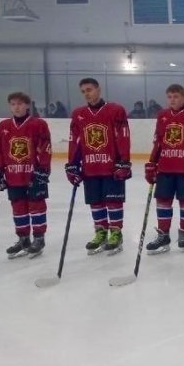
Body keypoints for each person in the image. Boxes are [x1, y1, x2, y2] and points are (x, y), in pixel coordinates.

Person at [66, 78, 132, 255]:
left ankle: (116, 233)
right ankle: (100, 232)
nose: (86, 94)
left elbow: (123, 136)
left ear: (98, 89)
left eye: (89, 89)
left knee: (113, 201)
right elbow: (75, 141)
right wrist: (72, 164)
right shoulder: (78, 114)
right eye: (83, 91)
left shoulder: (115, 110)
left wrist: (124, 160)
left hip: (111, 167)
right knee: (95, 201)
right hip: (90, 166)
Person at [143, 84, 184, 254]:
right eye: (170, 97)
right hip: (165, 168)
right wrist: (152, 163)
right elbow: (158, 142)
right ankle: (163, 235)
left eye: (176, 96)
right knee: (163, 201)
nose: (172, 100)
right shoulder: (163, 115)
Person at [0, 92, 52, 258]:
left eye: (19, 103)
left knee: (37, 207)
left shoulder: (38, 124)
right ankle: (23, 239)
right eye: (13, 104)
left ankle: (39, 239)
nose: (16, 107)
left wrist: (43, 170)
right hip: (13, 176)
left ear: (27, 105)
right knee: (18, 209)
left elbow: (45, 148)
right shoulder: (3, 126)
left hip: (33, 175)